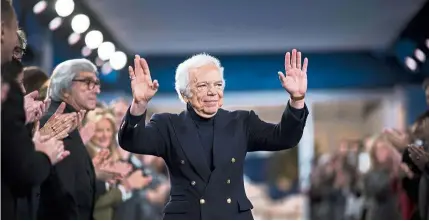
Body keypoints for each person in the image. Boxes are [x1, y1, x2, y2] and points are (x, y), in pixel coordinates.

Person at [119, 49, 309, 219]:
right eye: (202, 86)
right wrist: (139, 105)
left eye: (217, 84)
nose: (212, 92)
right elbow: (132, 141)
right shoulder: (168, 125)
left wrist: (297, 99)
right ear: (184, 94)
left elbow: (285, 137)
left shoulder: (241, 122)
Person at [37, 58, 112, 219]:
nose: (96, 90)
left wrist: (92, 174)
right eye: (87, 82)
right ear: (64, 89)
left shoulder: (71, 120)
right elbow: (61, 192)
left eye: (96, 83)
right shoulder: (53, 122)